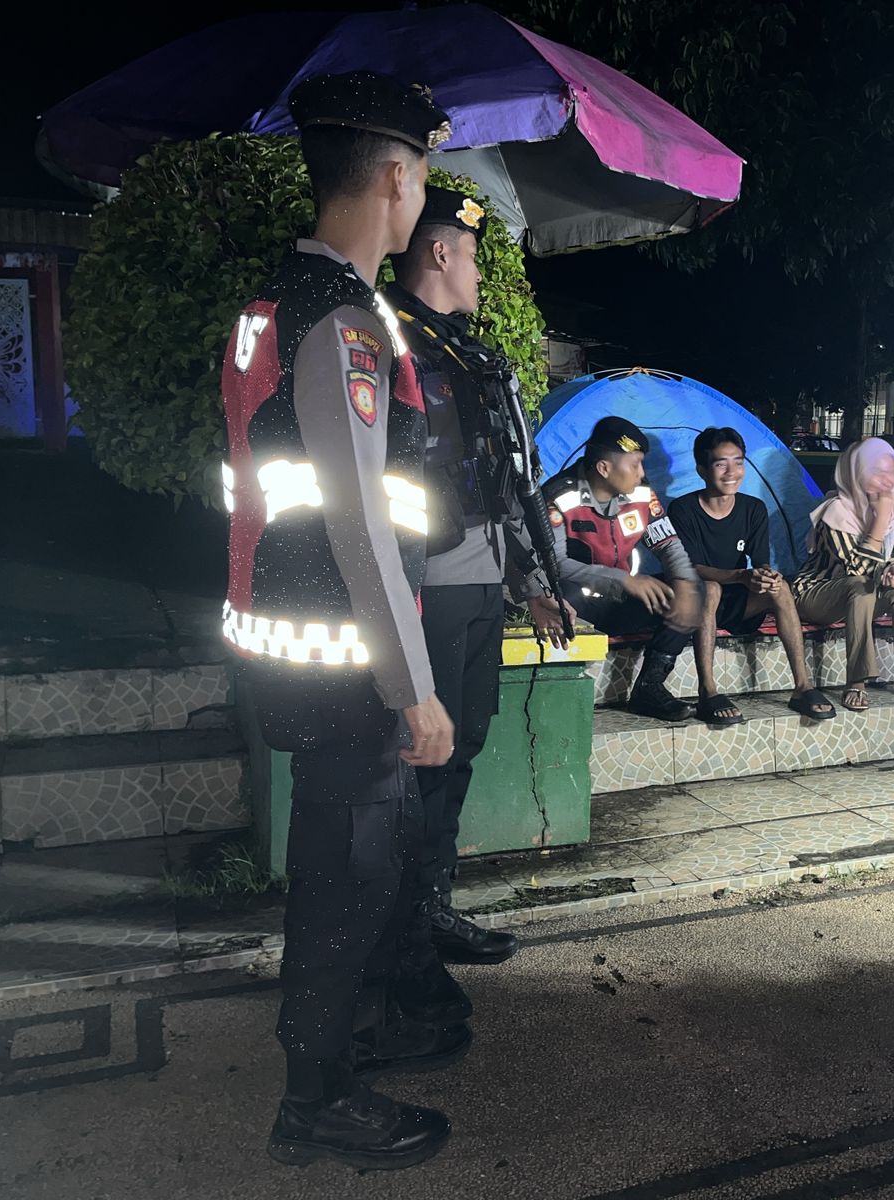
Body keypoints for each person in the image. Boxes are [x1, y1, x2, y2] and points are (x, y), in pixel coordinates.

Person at [219, 71, 460, 1171]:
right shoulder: (343, 318)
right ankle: (315, 1099)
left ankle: (332, 1057)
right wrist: (415, 688)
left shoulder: (274, 300)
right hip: (346, 655)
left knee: (340, 867)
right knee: (345, 879)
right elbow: (360, 519)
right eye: (424, 176)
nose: (423, 198)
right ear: (397, 177)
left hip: (295, 635)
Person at [379, 188, 575, 1007]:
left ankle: (430, 907)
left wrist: (532, 584)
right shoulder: (387, 341)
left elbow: (503, 483)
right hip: (427, 590)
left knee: (459, 751)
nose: (481, 277)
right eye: (472, 257)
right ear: (439, 253)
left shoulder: (463, 352)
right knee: (419, 762)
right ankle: (400, 927)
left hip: (481, 582)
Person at [668, 427, 835, 726]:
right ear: (702, 470)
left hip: (737, 601)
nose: (732, 472)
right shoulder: (683, 509)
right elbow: (689, 568)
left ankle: (803, 686)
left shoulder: (753, 508)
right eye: (721, 464)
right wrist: (742, 576)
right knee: (709, 588)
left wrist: (765, 576)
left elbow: (759, 562)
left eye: (738, 462)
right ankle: (708, 692)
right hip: (697, 601)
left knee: (779, 586)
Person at [543, 417, 703, 719]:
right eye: (635, 464)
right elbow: (556, 564)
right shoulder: (558, 496)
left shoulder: (641, 493)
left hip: (621, 603)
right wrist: (622, 581)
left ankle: (650, 687)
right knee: (561, 596)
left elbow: (668, 544)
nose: (642, 473)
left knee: (693, 590)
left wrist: (684, 582)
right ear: (604, 468)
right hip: (581, 607)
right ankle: (560, 696)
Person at [794, 437, 894, 712]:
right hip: (817, 594)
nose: (888, 480)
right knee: (860, 587)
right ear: (857, 474)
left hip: (866, 591)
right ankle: (857, 680)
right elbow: (854, 568)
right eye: (878, 472)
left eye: (892, 471)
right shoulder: (836, 511)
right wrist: (879, 521)